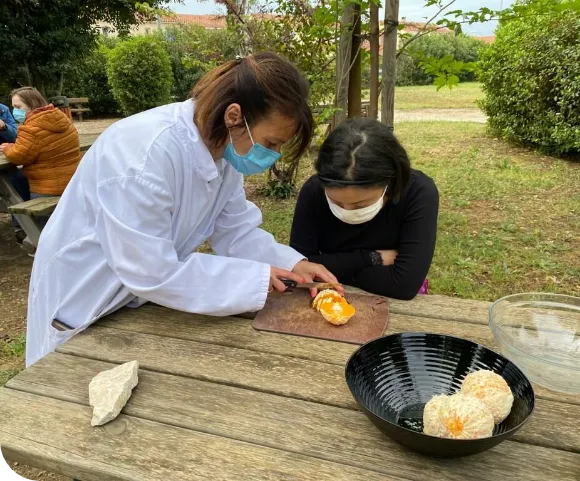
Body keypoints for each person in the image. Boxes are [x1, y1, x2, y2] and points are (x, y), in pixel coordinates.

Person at [25, 53, 340, 367]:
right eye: (271, 142)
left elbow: (235, 230)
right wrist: (256, 279)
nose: (274, 153)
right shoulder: (143, 156)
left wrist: (292, 263)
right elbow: (151, 271)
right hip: (83, 295)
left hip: (133, 298)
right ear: (234, 116)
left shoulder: (223, 151)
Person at [290, 118, 439, 300]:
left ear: (389, 184)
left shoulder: (419, 193)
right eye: (336, 202)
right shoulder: (314, 191)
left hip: (395, 304)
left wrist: (330, 266)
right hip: (327, 298)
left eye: (361, 205)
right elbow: (301, 267)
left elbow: (404, 285)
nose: (347, 210)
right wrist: (371, 258)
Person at [0, 87, 81, 230]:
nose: (15, 111)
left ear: (32, 104)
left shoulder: (31, 128)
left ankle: (37, 240)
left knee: (16, 181)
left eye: (18, 107)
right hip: (72, 182)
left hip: (47, 187)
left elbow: (19, 156)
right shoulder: (61, 118)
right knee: (17, 179)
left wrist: (7, 148)